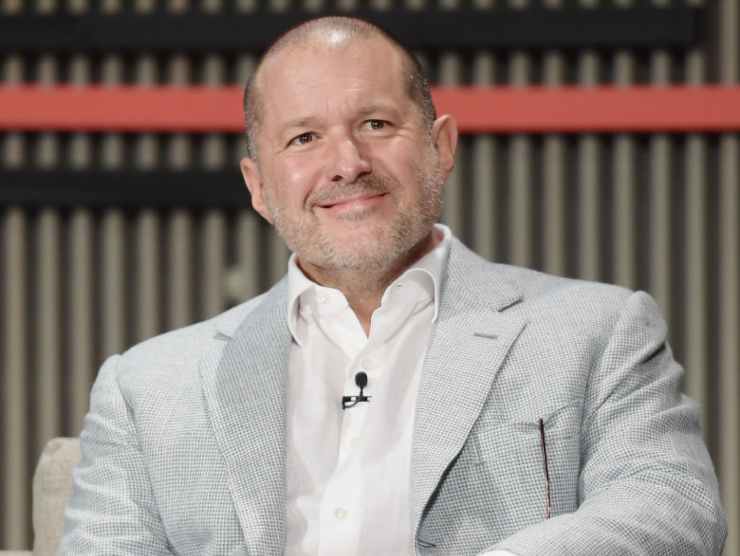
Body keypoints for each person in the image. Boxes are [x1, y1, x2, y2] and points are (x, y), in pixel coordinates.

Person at [60, 16, 726, 556]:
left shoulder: (596, 329)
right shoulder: (148, 388)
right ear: (258, 187)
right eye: (304, 138)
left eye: (375, 125)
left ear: (441, 146)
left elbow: (671, 504)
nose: (347, 163)